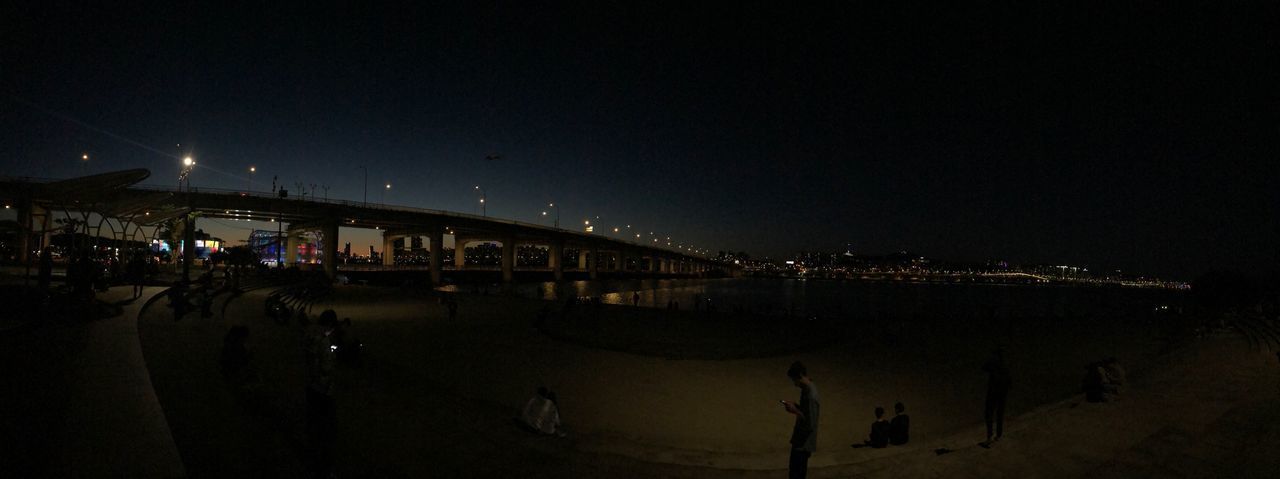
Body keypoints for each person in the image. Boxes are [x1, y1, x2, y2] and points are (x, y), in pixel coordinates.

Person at [305, 310, 339, 477]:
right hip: (323, 389)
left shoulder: (309, 336)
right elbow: (326, 367)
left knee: (314, 426)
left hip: (311, 386)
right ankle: (324, 468)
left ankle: (315, 459)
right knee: (326, 430)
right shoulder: (323, 341)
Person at [782, 361, 819, 479]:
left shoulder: (810, 395)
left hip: (803, 443)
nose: (794, 384)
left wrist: (794, 410)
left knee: (796, 474)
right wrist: (797, 406)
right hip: (801, 440)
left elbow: (810, 423)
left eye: (794, 380)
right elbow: (807, 412)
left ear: (799, 376)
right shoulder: (807, 389)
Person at [982, 347, 1011, 446]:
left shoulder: (993, 364)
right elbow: (1009, 381)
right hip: (1002, 393)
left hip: (993, 392)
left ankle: (990, 436)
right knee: (999, 414)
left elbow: (984, 367)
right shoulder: (1005, 365)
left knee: (989, 414)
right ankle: (998, 434)